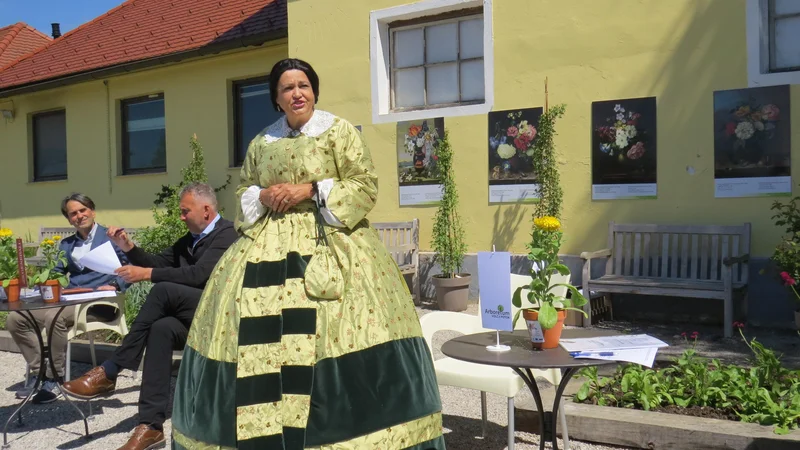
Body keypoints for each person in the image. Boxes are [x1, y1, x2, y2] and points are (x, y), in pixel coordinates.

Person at [170, 58, 446, 449]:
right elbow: (243, 192)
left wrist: (312, 189)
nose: (297, 93)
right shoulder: (262, 142)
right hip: (265, 244)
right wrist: (263, 194)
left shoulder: (339, 132)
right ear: (276, 99)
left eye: (303, 85)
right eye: (287, 88)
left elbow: (364, 184)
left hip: (331, 241)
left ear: (314, 91)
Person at [62, 182, 238, 450]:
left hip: (220, 317)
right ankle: (151, 426)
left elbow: (199, 274)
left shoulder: (227, 234)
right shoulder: (188, 241)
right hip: (192, 321)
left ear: (206, 210)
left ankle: (111, 369)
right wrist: (128, 246)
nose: (180, 216)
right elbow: (156, 263)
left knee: (164, 289)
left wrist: (147, 275)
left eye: (184, 211)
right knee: (161, 329)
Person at [7, 193, 129, 404]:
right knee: (16, 319)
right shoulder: (67, 244)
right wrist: (42, 280)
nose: (79, 216)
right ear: (69, 219)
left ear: (92, 211)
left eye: (83, 210)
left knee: (55, 317)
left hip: (101, 301)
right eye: (73, 213)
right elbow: (55, 273)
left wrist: (117, 284)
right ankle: (40, 373)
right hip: (71, 299)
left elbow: (132, 266)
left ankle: (55, 378)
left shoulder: (110, 236)